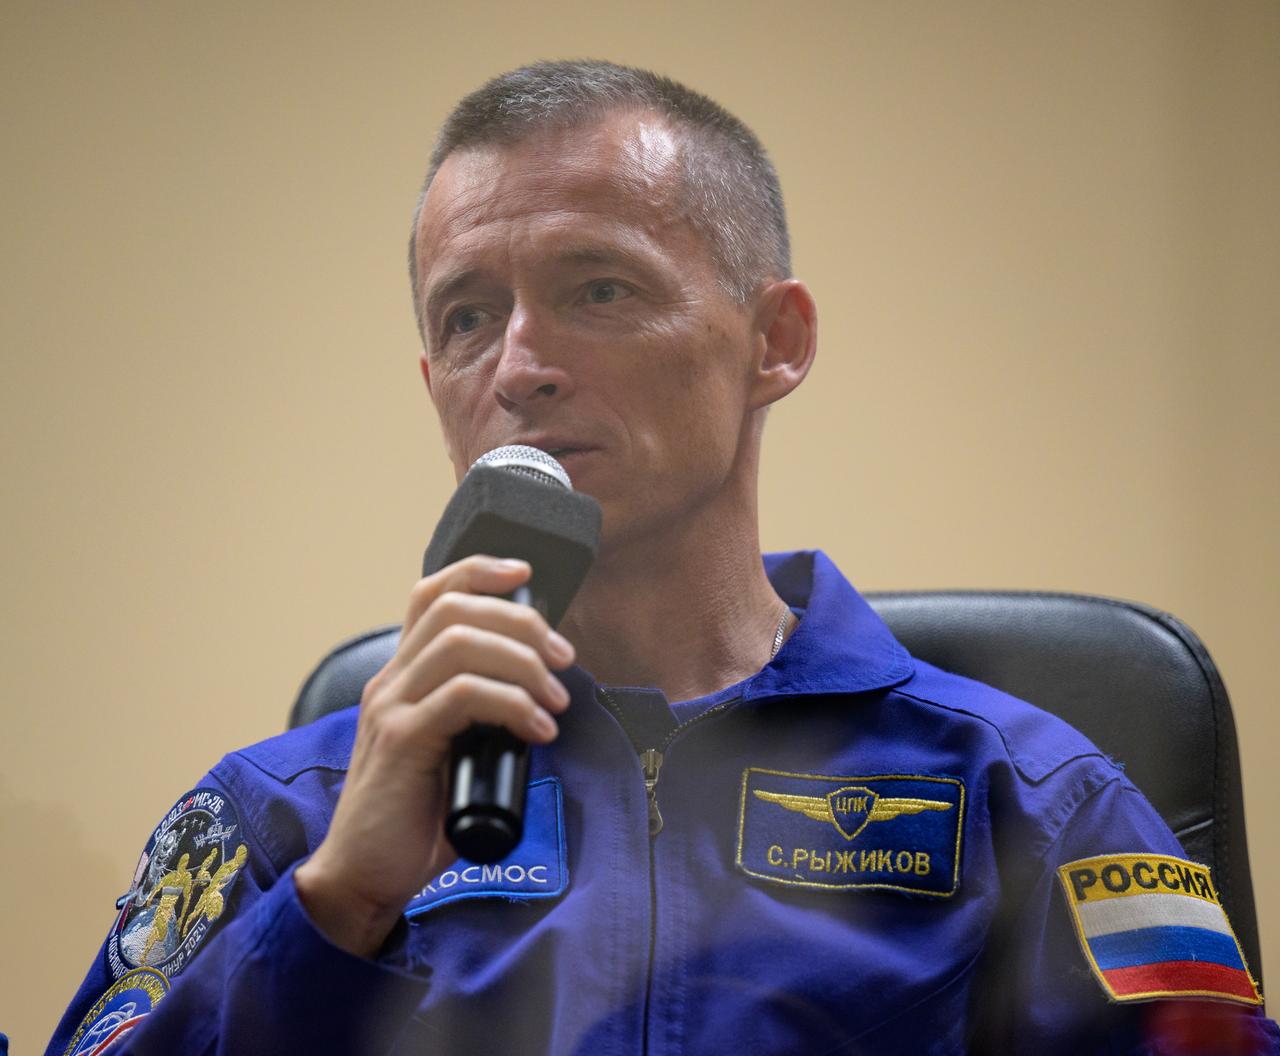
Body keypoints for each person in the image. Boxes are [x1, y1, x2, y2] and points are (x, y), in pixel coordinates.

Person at [47, 60, 1279, 1055]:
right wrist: (336, 907)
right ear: (433, 385)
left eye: (597, 290)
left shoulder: (1030, 793)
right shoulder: (289, 812)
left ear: (773, 341)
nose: (517, 366)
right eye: (467, 316)